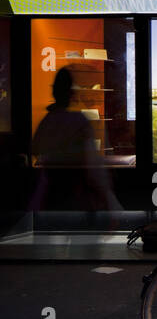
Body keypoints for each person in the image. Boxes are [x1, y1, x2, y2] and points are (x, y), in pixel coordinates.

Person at [30, 66, 120, 217]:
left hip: (49, 200)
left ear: (54, 92)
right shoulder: (79, 121)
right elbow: (94, 168)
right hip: (78, 200)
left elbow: (35, 151)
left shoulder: (46, 122)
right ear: (71, 93)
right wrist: (110, 201)